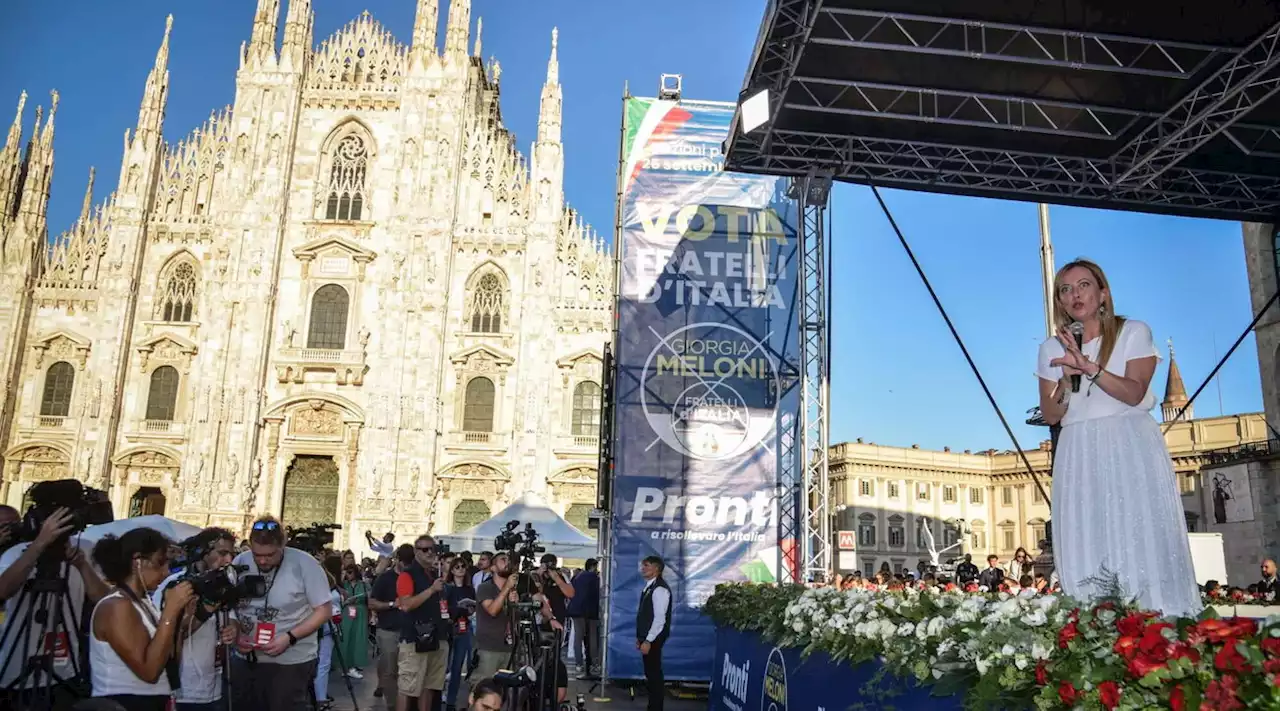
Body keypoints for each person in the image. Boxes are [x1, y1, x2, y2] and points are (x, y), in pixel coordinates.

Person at [1037, 258, 1201, 617]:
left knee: (1136, 530)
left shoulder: (1133, 332)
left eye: (1083, 285)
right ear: (1059, 302)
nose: (1074, 294)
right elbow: (1052, 414)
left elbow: (1133, 391)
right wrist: (1066, 380)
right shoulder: (1053, 348)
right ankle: (1089, 624)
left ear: (1103, 292)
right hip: (1078, 447)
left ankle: (1158, 623)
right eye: (1065, 289)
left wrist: (1089, 367)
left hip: (1127, 439)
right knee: (1087, 531)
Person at [0, 507, 110, 710]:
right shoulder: (16, 553)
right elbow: (3, 590)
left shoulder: (84, 550)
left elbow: (105, 601)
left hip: (64, 673)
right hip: (16, 670)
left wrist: (82, 566)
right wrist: (39, 545)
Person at [230, 517, 334, 711]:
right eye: (257, 555)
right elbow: (231, 606)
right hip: (247, 659)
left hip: (290, 661)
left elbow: (324, 610)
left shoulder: (305, 564)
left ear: (283, 545)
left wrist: (289, 637)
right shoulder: (240, 561)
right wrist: (236, 632)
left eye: (270, 555)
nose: (262, 560)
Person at [88, 527, 194, 711]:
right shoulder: (116, 606)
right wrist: (169, 612)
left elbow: (167, 660)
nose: (166, 572)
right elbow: (149, 672)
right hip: (123, 704)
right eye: (160, 562)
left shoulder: (143, 602)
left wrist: (180, 619)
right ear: (138, 561)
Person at [153, 527, 240, 711]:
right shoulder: (176, 586)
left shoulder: (223, 584)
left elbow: (231, 618)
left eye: (232, 554)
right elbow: (165, 636)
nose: (229, 560)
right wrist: (205, 610)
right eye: (222, 553)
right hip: (183, 689)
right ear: (202, 552)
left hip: (215, 685)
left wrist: (232, 628)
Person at [396, 535, 455, 711]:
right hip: (415, 639)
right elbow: (406, 604)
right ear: (416, 552)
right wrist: (431, 590)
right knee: (408, 688)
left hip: (436, 637)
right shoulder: (407, 575)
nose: (430, 552)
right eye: (425, 549)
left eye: (433, 549)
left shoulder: (434, 574)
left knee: (430, 685)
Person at [371, 544, 412, 709]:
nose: (407, 566)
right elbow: (372, 602)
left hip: (409, 631)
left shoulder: (414, 577)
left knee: (406, 671)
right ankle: (392, 705)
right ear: (397, 560)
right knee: (390, 670)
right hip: (388, 630)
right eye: (405, 562)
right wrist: (392, 604)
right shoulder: (385, 578)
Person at [636, 555, 670, 711]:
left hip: (654, 639)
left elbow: (659, 620)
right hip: (648, 638)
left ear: (657, 569)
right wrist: (641, 638)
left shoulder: (660, 589)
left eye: (647, 565)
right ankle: (653, 706)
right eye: (643, 565)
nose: (643, 568)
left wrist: (648, 640)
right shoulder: (649, 587)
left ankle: (656, 708)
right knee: (650, 674)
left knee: (654, 675)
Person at [443, 556, 476, 711]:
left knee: (457, 667)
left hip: (464, 628)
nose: (461, 569)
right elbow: (444, 609)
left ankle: (451, 700)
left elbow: (473, 608)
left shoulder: (469, 589)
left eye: (463, 566)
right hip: (448, 629)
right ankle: (440, 695)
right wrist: (458, 609)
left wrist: (466, 610)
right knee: (443, 666)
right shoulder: (446, 587)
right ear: (452, 570)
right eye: (457, 566)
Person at [316, 554, 345, 705]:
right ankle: (320, 696)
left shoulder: (331, 582)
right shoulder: (324, 581)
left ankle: (320, 692)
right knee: (323, 663)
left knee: (322, 663)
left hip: (329, 627)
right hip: (325, 628)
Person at [566, 558, 600, 679]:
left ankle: (578, 663)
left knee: (578, 638)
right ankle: (594, 664)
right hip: (591, 611)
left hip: (576, 610)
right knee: (592, 638)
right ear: (593, 566)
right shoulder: (595, 578)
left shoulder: (577, 577)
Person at [340, 564, 371, 677]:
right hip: (347, 613)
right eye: (346, 572)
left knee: (358, 639)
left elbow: (370, 596)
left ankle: (353, 666)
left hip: (360, 613)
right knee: (346, 639)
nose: (348, 574)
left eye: (350, 572)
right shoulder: (343, 584)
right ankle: (346, 666)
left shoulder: (363, 584)